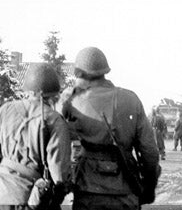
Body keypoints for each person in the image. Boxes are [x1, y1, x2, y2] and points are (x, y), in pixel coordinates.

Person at [60, 47, 160, 210]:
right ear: (104, 70)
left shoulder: (72, 101)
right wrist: (149, 187)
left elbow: (58, 143)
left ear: (79, 74)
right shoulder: (130, 99)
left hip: (87, 190)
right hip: (125, 189)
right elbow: (149, 151)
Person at [0, 63, 71, 210]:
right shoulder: (54, 120)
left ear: (27, 90)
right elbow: (59, 174)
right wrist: (55, 197)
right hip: (32, 199)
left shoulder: (5, 110)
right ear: (54, 95)